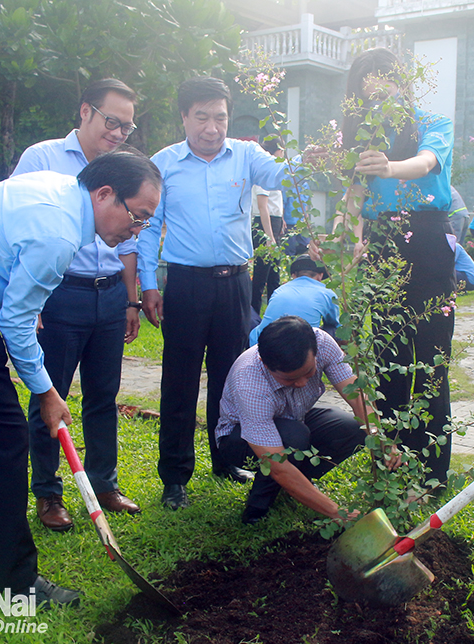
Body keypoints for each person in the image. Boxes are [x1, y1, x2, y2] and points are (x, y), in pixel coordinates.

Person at [0, 150, 161, 607]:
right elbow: (16, 324)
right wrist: (47, 392)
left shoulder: (62, 193)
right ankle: (17, 584)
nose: (134, 231)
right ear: (104, 194)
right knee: (2, 438)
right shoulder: (57, 234)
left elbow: (19, 301)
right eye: (137, 217)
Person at [139, 77, 295, 510]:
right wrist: (149, 285)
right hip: (185, 285)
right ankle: (174, 477)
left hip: (235, 284)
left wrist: (313, 159)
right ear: (185, 117)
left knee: (233, 379)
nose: (212, 127)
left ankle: (226, 460)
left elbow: (283, 175)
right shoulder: (164, 164)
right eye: (202, 117)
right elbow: (149, 228)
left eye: (220, 117)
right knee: (180, 380)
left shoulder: (246, 155)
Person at [11, 78, 142, 532]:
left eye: (127, 126)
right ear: (85, 111)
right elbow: (21, 225)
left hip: (109, 296)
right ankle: (48, 495)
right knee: (50, 392)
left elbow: (130, 241)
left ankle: (105, 485)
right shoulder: (43, 158)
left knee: (104, 396)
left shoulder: (122, 166)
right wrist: (34, 302)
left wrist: (131, 298)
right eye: (112, 121)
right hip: (58, 291)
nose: (119, 132)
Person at [339, 48, 456, 484]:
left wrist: (388, 167)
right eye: (366, 85)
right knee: (388, 356)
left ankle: (431, 473)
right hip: (383, 243)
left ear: (401, 83)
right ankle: (391, 466)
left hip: (426, 239)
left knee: (431, 361)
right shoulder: (364, 137)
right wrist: (349, 245)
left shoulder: (431, 122)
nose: (376, 92)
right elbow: (353, 198)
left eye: (383, 80)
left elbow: (427, 162)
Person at [216, 316, 394, 524]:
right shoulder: (250, 383)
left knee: (351, 428)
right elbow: (276, 465)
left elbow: (357, 396)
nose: (301, 383)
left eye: (309, 373)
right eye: (289, 379)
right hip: (239, 438)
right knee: (294, 437)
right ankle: (257, 508)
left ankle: (298, 485)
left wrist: (381, 439)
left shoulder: (322, 343)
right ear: (265, 363)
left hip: (295, 419)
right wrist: (338, 512)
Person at [249, 255, 340, 345]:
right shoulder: (327, 293)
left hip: (262, 344)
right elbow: (334, 323)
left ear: (294, 275)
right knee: (335, 329)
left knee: (249, 312)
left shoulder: (279, 291)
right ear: (320, 276)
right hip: (303, 349)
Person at [251, 138, 287, 313]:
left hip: (274, 222)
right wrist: (269, 237)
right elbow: (262, 206)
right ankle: (253, 315)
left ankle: (275, 313)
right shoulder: (264, 170)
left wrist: (281, 220)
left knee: (275, 275)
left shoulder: (275, 170)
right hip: (264, 226)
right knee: (261, 275)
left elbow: (273, 204)